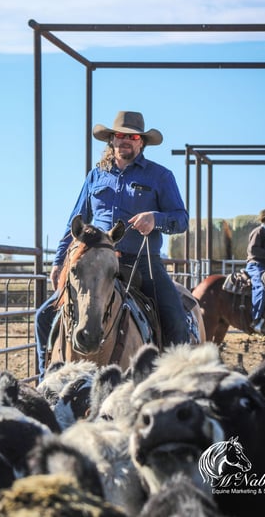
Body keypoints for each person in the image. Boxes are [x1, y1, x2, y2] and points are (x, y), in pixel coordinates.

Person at [35, 111, 189, 379]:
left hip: (143, 261)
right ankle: (45, 382)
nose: (125, 140)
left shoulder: (160, 176)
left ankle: (180, 385)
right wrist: (59, 262)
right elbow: (75, 219)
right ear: (111, 140)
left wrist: (156, 218)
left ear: (141, 142)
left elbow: (182, 219)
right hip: (94, 262)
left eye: (132, 136)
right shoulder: (96, 176)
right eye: (120, 135)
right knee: (44, 317)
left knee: (175, 319)